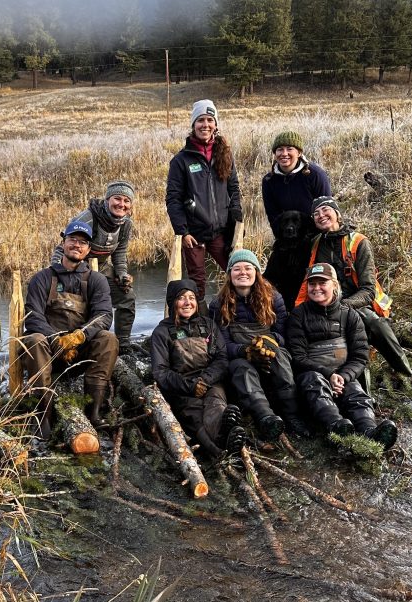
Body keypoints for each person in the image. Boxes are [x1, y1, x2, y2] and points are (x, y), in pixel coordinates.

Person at [294, 196, 412, 377]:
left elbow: (368, 290)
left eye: (325, 210)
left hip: (356, 302)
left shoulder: (359, 242)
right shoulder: (315, 244)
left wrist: (343, 307)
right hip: (324, 301)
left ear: (337, 214)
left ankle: (406, 372)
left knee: (375, 324)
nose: (321, 215)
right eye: (316, 214)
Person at [20, 220, 119, 437]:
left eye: (83, 242)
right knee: (34, 339)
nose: (77, 245)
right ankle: (42, 418)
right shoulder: (42, 278)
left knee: (108, 339)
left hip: (78, 353)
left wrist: (79, 337)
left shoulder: (97, 280)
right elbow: (33, 316)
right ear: (63, 243)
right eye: (73, 240)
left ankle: (93, 412)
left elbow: (103, 315)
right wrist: (57, 340)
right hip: (48, 353)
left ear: (89, 250)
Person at [287, 264, 398, 449]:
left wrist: (343, 376)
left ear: (334, 285)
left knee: (356, 393)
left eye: (322, 283)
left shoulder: (350, 316)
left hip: (343, 375)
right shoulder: (298, 316)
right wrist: (329, 374)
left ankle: (370, 432)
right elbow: (298, 358)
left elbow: (360, 356)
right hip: (311, 375)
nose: (316, 288)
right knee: (315, 384)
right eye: (312, 284)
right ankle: (337, 427)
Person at [210, 249, 310, 439]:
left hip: (272, 352)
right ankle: (266, 417)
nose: (243, 273)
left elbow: (284, 335)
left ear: (256, 272)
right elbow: (221, 345)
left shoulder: (274, 298)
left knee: (281, 358)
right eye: (237, 269)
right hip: (240, 357)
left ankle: (292, 416)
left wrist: (270, 342)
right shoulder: (218, 304)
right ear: (230, 274)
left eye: (248, 268)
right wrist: (245, 351)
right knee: (241, 369)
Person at [151, 279, 246, 458]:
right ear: (173, 302)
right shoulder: (161, 332)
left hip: (210, 382)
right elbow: (160, 372)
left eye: (192, 297)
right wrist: (190, 386)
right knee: (194, 416)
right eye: (181, 298)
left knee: (216, 404)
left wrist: (205, 380)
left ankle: (226, 429)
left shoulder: (209, 325)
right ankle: (220, 448)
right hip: (181, 388)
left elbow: (222, 358)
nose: (188, 303)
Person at [165, 99, 243, 301]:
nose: (205, 125)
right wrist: (182, 231)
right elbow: (173, 199)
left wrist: (236, 220)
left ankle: (234, 313)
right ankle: (199, 321)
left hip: (221, 232)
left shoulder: (225, 155)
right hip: (194, 233)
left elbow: (234, 189)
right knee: (196, 281)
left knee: (236, 272)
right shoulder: (181, 161)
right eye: (200, 120)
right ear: (193, 125)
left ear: (215, 125)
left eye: (210, 120)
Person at [52, 180, 136, 352]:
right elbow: (64, 248)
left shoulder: (126, 224)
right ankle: (74, 344)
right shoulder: (88, 218)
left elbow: (120, 252)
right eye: (117, 199)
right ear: (107, 200)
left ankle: (123, 343)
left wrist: (122, 274)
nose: (121, 204)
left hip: (103, 267)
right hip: (76, 267)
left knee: (127, 296)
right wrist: (58, 274)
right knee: (82, 303)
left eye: (126, 201)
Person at [261, 131, 331, 233]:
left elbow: (327, 209)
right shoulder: (269, 181)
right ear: (275, 153)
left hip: (316, 235)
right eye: (280, 149)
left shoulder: (315, 175)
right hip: (288, 237)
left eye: (290, 149)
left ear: (299, 153)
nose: (284, 154)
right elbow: (273, 217)